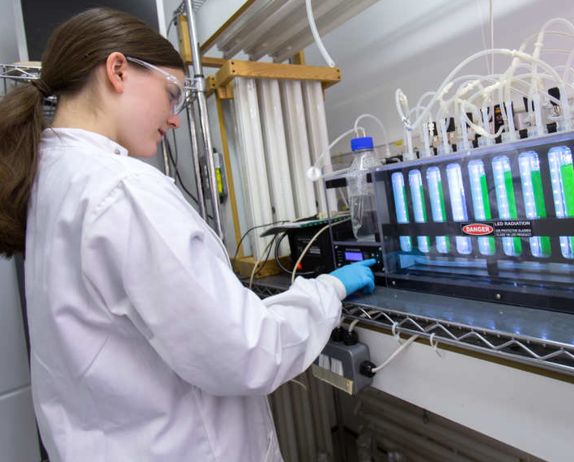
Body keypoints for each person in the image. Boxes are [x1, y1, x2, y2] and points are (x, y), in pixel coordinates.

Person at [0, 8, 376, 462]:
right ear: (118, 70)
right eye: (172, 93)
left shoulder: (55, 179)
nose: (175, 118)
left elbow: (200, 327)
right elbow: (245, 351)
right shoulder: (122, 191)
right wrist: (326, 292)